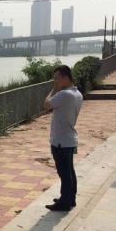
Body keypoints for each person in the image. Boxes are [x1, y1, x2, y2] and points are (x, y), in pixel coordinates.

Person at [43, 65, 83, 211]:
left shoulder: (64, 94)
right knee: (69, 171)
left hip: (61, 140)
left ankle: (64, 202)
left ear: (66, 78)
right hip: (69, 138)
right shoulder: (77, 93)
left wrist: (54, 89)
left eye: (57, 79)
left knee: (64, 173)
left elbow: (46, 104)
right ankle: (70, 198)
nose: (55, 82)